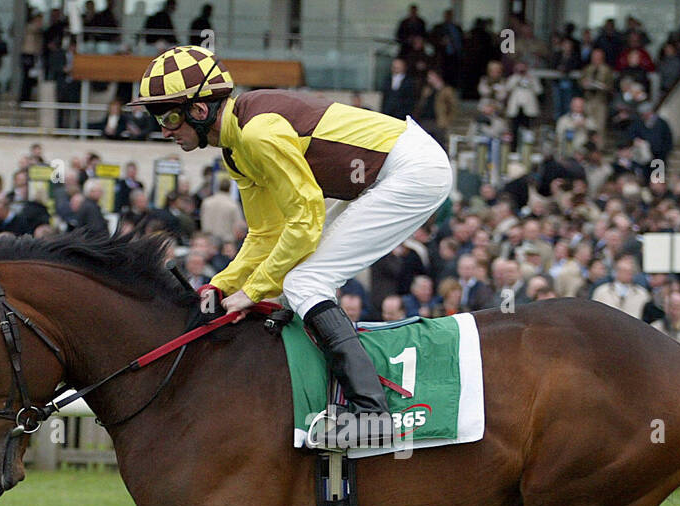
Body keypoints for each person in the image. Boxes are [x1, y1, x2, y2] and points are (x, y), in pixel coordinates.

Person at [128, 45, 453, 447]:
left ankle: (372, 414)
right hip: (384, 173)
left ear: (199, 110)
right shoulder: (235, 151)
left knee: (303, 281)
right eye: (156, 117)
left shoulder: (258, 134)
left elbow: (304, 220)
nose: (163, 128)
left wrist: (253, 291)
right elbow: (266, 232)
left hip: (412, 169)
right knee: (292, 280)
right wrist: (222, 284)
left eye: (169, 116)